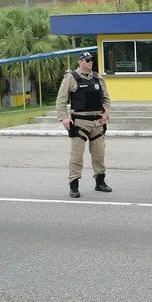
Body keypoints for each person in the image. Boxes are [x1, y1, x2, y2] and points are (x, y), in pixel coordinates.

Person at [56, 52, 112, 198]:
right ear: (80, 61)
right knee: (77, 156)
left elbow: (106, 99)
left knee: (99, 154)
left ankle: (100, 182)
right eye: (87, 60)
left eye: (91, 60)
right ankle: (74, 185)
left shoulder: (98, 78)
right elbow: (61, 100)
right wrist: (64, 118)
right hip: (80, 122)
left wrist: (106, 113)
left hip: (97, 123)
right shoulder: (71, 78)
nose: (90, 62)